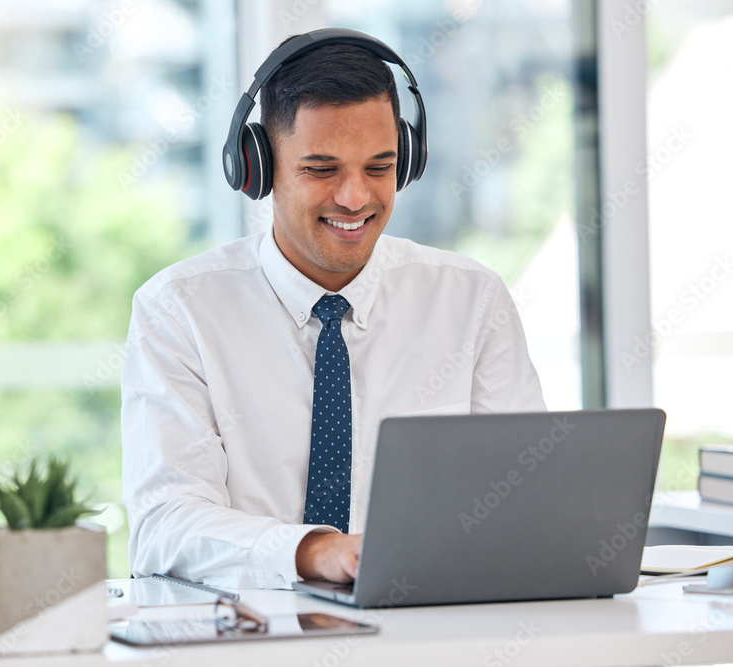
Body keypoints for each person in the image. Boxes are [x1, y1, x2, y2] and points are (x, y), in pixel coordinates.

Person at [120, 31, 545, 589]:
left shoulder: (471, 300)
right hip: (254, 637)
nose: (354, 197)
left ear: (408, 160)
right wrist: (314, 552)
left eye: (379, 166)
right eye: (321, 170)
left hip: (429, 633)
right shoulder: (179, 310)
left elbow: (526, 502)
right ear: (259, 168)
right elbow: (164, 524)